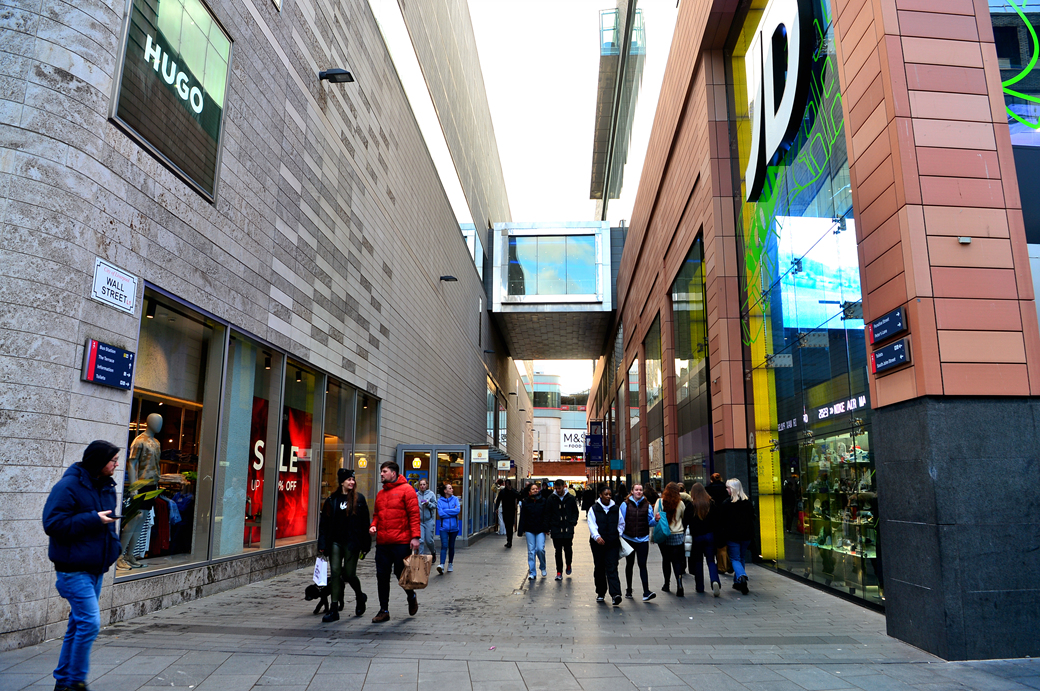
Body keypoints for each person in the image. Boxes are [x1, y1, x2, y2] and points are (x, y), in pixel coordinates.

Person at [43, 440, 122, 691]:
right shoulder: (68, 486)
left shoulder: (106, 486)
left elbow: (108, 524)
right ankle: (76, 682)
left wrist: (115, 547)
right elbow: (53, 524)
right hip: (73, 570)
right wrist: (93, 519)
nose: (116, 465)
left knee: (78, 625)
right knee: (89, 623)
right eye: (113, 460)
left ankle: (64, 681)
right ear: (99, 462)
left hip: (95, 568)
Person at [368, 461, 421, 622]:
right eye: (381, 471)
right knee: (382, 576)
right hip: (383, 543)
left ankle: (411, 596)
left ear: (393, 473)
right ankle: (383, 610)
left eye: (384, 471)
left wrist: (415, 537)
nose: (381, 474)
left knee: (401, 573)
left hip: (401, 542)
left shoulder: (407, 490)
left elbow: (414, 515)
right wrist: (373, 525)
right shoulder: (380, 494)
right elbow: (376, 515)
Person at [317, 468, 371, 621]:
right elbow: (324, 524)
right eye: (349, 479)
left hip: (352, 542)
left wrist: (365, 544)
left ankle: (360, 596)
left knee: (349, 574)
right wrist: (322, 544)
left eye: (353, 479)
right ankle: (334, 609)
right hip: (335, 541)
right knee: (335, 573)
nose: (352, 482)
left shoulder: (359, 499)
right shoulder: (332, 500)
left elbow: (364, 523)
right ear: (342, 482)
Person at [618, 483, 656, 601]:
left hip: (643, 539)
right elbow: (621, 521)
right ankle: (629, 589)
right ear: (632, 491)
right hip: (629, 538)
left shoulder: (647, 505)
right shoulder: (625, 505)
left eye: (640, 490)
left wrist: (656, 520)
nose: (639, 492)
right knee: (629, 564)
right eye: (636, 490)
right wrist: (620, 536)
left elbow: (650, 522)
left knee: (642, 564)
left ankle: (646, 591)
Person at [587, 484, 623, 606]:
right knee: (599, 567)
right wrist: (597, 537)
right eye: (605, 494)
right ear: (600, 495)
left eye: (609, 495)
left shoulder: (616, 508)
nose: (608, 497)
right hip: (598, 544)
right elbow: (592, 524)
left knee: (612, 567)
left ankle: (616, 594)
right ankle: (601, 592)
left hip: (612, 542)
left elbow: (621, 523)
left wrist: (618, 533)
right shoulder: (594, 509)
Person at [686, 482, 722, 596]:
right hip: (709, 535)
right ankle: (715, 580)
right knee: (711, 560)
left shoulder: (691, 505)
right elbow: (717, 521)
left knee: (698, 561)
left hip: (696, 537)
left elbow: (685, 521)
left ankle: (700, 586)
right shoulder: (711, 503)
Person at [722, 478, 754, 595]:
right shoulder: (747, 502)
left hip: (733, 536)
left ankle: (741, 576)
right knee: (741, 557)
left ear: (732, 489)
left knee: (735, 558)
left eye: (728, 488)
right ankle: (738, 581)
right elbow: (752, 518)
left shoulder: (727, 503)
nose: (726, 490)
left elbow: (722, 521)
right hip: (746, 535)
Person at [654, 482, 687, 596]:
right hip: (677, 534)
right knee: (677, 561)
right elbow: (683, 516)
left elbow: (655, 516)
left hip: (664, 534)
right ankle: (679, 584)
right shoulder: (680, 503)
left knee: (666, 560)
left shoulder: (659, 502)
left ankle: (666, 584)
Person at [546, 479, 579, 580]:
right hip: (556, 528)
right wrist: (548, 526)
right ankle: (559, 571)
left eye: (559, 488)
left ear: (564, 487)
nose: (558, 490)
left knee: (568, 549)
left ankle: (568, 564)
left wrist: (572, 522)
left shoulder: (570, 498)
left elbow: (575, 511)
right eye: (556, 488)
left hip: (567, 528)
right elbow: (548, 513)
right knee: (558, 551)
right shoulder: (551, 498)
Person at [516, 482, 548, 579]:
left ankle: (542, 566)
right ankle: (532, 572)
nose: (535, 490)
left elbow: (546, 515)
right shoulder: (526, 502)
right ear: (529, 491)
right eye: (533, 489)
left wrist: (546, 528)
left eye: (536, 489)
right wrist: (520, 530)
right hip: (529, 529)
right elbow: (523, 516)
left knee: (540, 549)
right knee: (531, 551)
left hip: (540, 529)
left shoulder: (543, 501)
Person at [706, 473, 731, 574]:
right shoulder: (725, 489)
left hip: (713, 519)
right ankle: (728, 563)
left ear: (711, 480)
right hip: (726, 518)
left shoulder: (708, 489)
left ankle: (722, 565)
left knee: (717, 544)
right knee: (725, 543)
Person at [436, 482, 461, 574]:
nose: (452, 490)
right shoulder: (440, 501)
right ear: (445, 491)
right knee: (444, 545)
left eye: (452, 488)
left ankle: (450, 564)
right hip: (444, 528)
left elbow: (457, 510)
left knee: (451, 546)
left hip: (454, 527)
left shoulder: (455, 499)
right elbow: (440, 514)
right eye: (450, 488)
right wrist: (452, 511)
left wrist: (445, 511)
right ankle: (442, 565)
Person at [494, 480, 519, 548]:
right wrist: (496, 508)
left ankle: (509, 541)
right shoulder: (503, 491)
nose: (507, 485)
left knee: (510, 525)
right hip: (505, 510)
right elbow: (498, 499)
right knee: (507, 525)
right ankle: (509, 539)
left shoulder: (513, 491)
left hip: (511, 511)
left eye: (508, 484)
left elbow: (518, 496)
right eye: (506, 484)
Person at [416, 479, 437, 557]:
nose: (422, 486)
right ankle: (420, 557)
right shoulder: (416, 495)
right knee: (420, 540)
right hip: (420, 521)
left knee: (429, 540)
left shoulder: (431, 494)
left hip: (428, 520)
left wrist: (428, 504)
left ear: (427, 485)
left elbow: (435, 505)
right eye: (421, 484)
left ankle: (433, 551)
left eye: (424, 484)